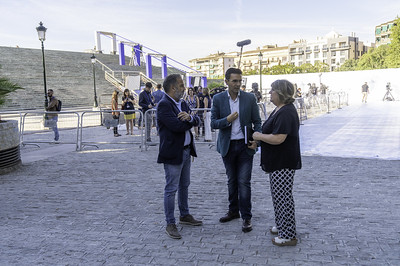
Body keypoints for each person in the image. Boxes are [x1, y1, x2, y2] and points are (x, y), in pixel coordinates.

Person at [210, 68, 262, 233]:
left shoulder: (249, 98)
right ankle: (233, 211)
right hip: (227, 146)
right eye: (234, 81)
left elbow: (257, 122)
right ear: (226, 81)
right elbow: (213, 123)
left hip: (245, 146)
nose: (238, 84)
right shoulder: (218, 99)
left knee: (244, 182)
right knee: (231, 181)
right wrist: (227, 120)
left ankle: (246, 217)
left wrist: (257, 141)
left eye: (240, 81)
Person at [252, 79, 302, 247]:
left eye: (272, 91)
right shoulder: (280, 110)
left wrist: (259, 137)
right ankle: (282, 226)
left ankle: (288, 235)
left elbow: (279, 138)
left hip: (283, 162)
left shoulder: (286, 112)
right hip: (277, 161)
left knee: (283, 198)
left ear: (280, 93)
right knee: (279, 197)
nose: (270, 94)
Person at [157, 74, 202, 239]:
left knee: (184, 185)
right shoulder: (164, 105)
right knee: (171, 189)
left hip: (186, 150)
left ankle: (185, 215)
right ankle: (170, 223)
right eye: (181, 85)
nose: (184, 88)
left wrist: (189, 117)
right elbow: (176, 126)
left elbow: (197, 120)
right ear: (173, 87)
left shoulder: (182, 103)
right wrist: (189, 121)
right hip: (172, 153)